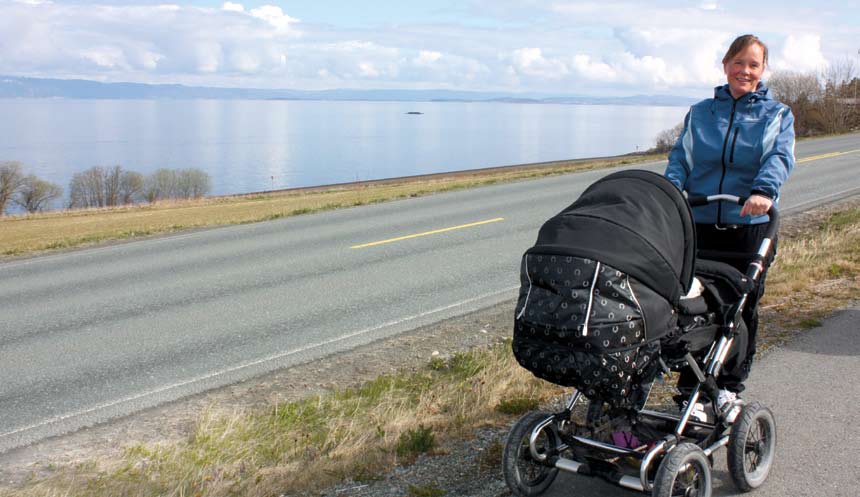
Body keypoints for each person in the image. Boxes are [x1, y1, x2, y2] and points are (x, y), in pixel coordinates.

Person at [664, 34, 795, 422]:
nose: (745, 71)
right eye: (738, 62)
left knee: (739, 310)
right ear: (725, 65)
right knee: (692, 308)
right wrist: (671, 190)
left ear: (762, 71)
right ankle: (693, 390)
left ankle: (728, 389)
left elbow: (779, 156)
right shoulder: (702, 112)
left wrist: (763, 191)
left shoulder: (776, 115)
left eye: (753, 64)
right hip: (699, 223)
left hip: (749, 225)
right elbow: (681, 158)